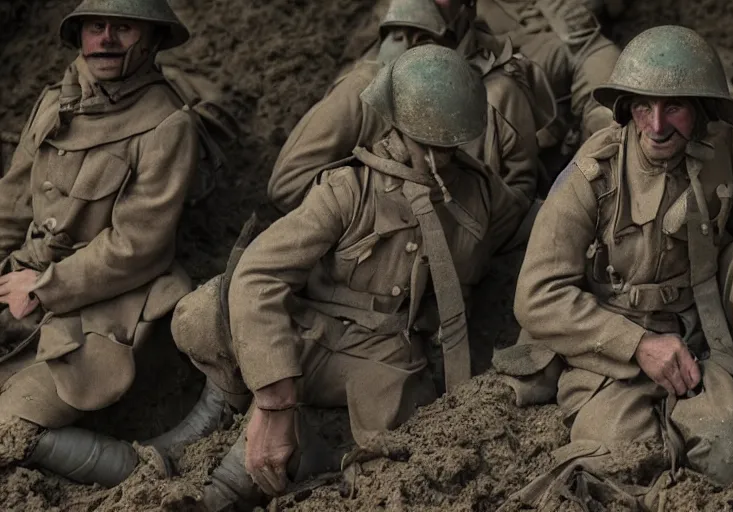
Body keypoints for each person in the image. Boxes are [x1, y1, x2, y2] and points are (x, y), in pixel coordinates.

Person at [162, 46, 529, 510]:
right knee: (201, 316)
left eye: (449, 144)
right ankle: (227, 406)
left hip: (383, 354)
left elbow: (525, 227)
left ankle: (312, 459)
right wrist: (273, 399)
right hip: (307, 330)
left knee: (394, 454)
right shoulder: (349, 188)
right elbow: (258, 276)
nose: (439, 157)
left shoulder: (479, 196)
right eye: (426, 142)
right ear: (396, 125)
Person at [502, 25, 733, 493]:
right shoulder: (592, 173)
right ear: (626, 108)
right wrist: (638, 344)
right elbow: (536, 296)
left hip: (701, 328)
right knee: (619, 466)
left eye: (673, 107)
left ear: (701, 108)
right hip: (608, 348)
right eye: (643, 106)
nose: (656, 126)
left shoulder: (730, 150)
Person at [0, 0, 197, 487]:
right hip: (28, 280)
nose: (105, 38)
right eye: (95, 26)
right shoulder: (56, 102)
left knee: (11, 419)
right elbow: (11, 203)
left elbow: (137, 245)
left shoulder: (167, 125)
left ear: (150, 40)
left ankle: (141, 473)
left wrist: (45, 287)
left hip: (107, 304)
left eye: (123, 27)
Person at [268, 0, 555, 213]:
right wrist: (373, 208)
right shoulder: (365, 91)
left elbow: (519, 200)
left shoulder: (500, 92)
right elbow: (289, 184)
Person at [475, 0, 623, 148]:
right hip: (499, 76)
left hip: (564, 48)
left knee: (603, 59)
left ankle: (603, 138)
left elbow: (588, 38)